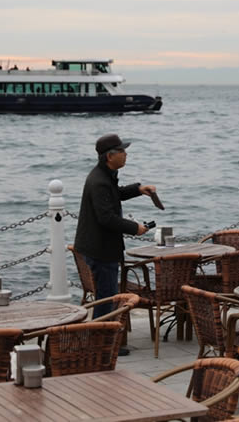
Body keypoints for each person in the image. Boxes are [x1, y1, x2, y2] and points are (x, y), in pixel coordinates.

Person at [74, 133, 156, 331]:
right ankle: (102, 338)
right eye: (122, 151)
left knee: (106, 296)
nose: (126, 154)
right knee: (106, 298)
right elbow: (106, 218)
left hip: (98, 247)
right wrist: (135, 228)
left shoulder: (104, 176)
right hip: (101, 250)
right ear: (110, 156)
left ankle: (102, 336)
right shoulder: (99, 181)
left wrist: (138, 189)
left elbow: (115, 194)